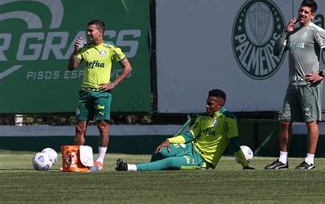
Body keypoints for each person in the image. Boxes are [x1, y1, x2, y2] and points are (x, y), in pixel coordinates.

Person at [264, 0, 325, 170]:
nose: (302, 14)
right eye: (301, 11)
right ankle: (283, 160)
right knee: (284, 121)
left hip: (308, 85)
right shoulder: (293, 32)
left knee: (310, 122)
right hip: (293, 85)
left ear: (313, 15)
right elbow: (276, 52)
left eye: (306, 12)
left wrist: (321, 74)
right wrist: (285, 31)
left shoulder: (316, 31)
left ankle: (310, 161)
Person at [115, 89, 255, 171]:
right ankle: (150, 171)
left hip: (202, 160)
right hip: (190, 147)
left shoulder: (228, 118)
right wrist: (169, 140)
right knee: (161, 150)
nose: (206, 106)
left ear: (220, 105)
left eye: (210, 104)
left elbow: (234, 142)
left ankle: (130, 168)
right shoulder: (203, 118)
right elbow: (189, 136)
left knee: (169, 162)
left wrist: (245, 166)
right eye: (206, 102)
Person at [67, 19, 132, 171]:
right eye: (88, 30)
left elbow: (128, 68)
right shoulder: (85, 49)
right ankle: (76, 162)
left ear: (100, 32)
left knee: (102, 126)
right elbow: (71, 67)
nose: (88, 33)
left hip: (102, 94)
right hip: (85, 93)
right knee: (79, 128)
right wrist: (75, 51)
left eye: (91, 30)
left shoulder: (111, 48)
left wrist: (113, 83)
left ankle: (100, 161)